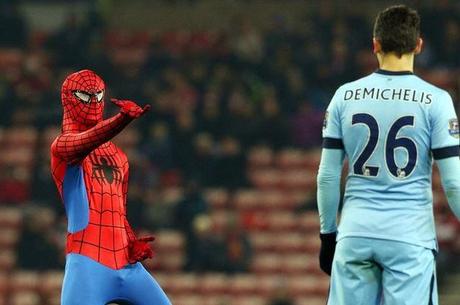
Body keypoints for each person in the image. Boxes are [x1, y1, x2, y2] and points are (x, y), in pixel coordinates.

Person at [316, 5, 460, 305]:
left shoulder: (345, 95)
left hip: (355, 233)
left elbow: (328, 175)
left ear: (375, 45)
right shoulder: (436, 100)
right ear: (418, 45)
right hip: (410, 237)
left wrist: (328, 235)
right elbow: (454, 184)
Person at [50, 69, 171, 305]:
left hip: (127, 265)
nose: (93, 102)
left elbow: (117, 209)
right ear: (68, 98)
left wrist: (132, 240)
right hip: (87, 262)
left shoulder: (119, 157)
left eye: (98, 96)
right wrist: (121, 120)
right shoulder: (62, 147)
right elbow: (85, 141)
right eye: (85, 97)